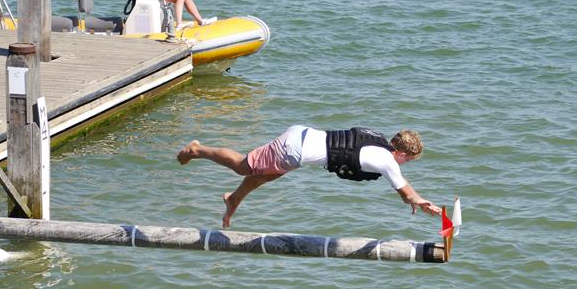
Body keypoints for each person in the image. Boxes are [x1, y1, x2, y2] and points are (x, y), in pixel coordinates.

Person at [176, 125, 442, 228]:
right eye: (409, 161)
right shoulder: (388, 160)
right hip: (295, 149)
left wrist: (416, 200)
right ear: (404, 155)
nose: (406, 165)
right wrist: (422, 202)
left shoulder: (378, 142)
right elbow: (407, 193)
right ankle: (196, 150)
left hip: (301, 141)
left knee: (264, 175)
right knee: (244, 166)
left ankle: (233, 200)